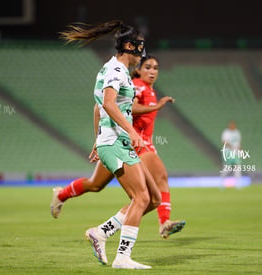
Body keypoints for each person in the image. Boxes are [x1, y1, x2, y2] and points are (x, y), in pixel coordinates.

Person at [52, 20, 161, 269]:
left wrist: (97, 138)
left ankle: (100, 232)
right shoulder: (116, 71)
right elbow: (109, 104)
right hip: (116, 142)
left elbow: (97, 106)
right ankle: (122, 257)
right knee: (141, 197)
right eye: (139, 51)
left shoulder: (114, 70)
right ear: (129, 47)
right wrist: (131, 131)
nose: (140, 59)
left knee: (153, 198)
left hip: (114, 141)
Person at [131, 55, 185, 237]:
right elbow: (131, 107)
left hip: (146, 142)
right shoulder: (138, 85)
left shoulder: (149, 90)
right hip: (135, 141)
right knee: (148, 190)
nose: (152, 71)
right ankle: (106, 230)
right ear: (138, 70)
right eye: (147, 67)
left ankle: (62, 195)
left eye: (155, 68)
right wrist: (157, 107)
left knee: (95, 184)